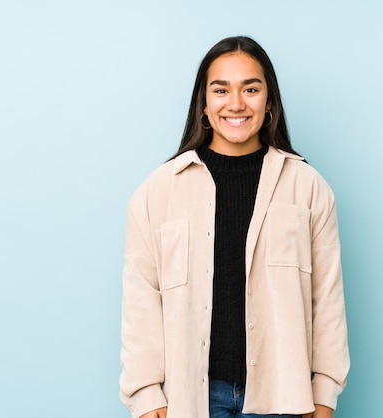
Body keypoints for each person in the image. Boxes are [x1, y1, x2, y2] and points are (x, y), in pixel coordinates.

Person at [119, 36, 350, 418]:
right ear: (204, 104)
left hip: (284, 397)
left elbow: (327, 301)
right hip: (189, 399)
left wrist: (323, 395)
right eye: (221, 89)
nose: (236, 103)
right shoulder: (157, 192)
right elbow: (141, 300)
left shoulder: (308, 187)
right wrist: (146, 396)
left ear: (269, 101)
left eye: (251, 89)